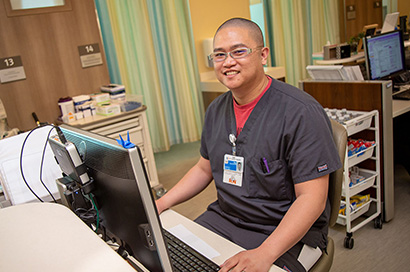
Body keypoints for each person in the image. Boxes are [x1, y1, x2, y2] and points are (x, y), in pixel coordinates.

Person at [156, 17, 342, 272]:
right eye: (219, 55)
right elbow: (203, 169)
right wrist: (161, 203)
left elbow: (312, 199)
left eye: (239, 51)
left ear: (263, 55)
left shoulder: (301, 112)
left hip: (286, 232)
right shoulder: (216, 110)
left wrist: (265, 254)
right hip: (225, 218)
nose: (228, 62)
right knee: (169, 257)